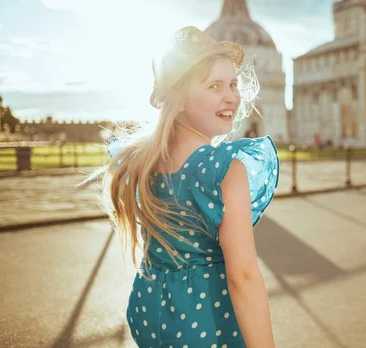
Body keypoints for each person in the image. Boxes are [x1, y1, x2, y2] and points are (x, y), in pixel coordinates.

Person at [81, 26, 278, 347]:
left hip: (149, 310)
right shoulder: (224, 168)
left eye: (233, 83)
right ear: (179, 97)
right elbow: (243, 276)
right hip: (208, 320)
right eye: (214, 85)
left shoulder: (142, 161)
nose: (231, 95)